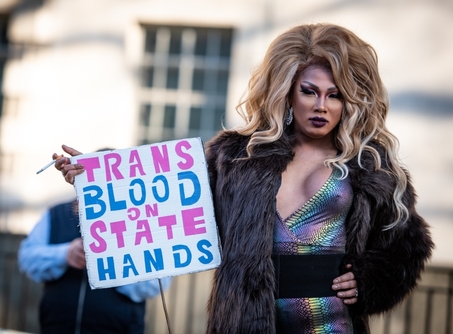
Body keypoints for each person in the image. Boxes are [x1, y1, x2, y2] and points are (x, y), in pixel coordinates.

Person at [52, 23, 434, 334]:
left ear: (348, 101)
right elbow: (164, 197)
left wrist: (370, 281)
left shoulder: (369, 166)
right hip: (245, 322)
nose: (321, 106)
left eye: (335, 95)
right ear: (286, 92)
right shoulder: (236, 155)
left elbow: (407, 247)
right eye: (309, 91)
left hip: (330, 322)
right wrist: (97, 179)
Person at [18, 198, 171, 334]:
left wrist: (115, 263)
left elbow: (158, 283)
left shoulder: (142, 217)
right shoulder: (56, 215)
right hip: (56, 326)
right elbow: (26, 258)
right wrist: (65, 254)